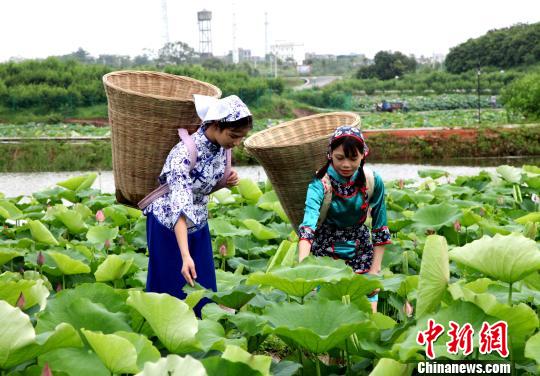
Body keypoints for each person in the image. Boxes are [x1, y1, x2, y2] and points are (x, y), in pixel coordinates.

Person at [143, 94, 253, 317]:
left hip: (198, 222)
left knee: (204, 291)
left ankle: (203, 341)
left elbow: (202, 183)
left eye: (242, 137)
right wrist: (185, 255)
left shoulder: (222, 148)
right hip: (169, 224)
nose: (237, 142)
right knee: (172, 290)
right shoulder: (182, 154)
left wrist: (225, 181)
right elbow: (180, 207)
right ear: (215, 124)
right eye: (233, 135)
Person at [297, 125, 391, 313]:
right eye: (340, 158)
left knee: (366, 313)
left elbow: (380, 228)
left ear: (363, 155)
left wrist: (375, 271)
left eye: (353, 158)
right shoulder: (319, 184)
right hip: (325, 251)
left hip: (361, 250)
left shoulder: (372, 181)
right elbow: (308, 227)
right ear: (330, 154)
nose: (346, 165)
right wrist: (303, 266)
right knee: (326, 313)